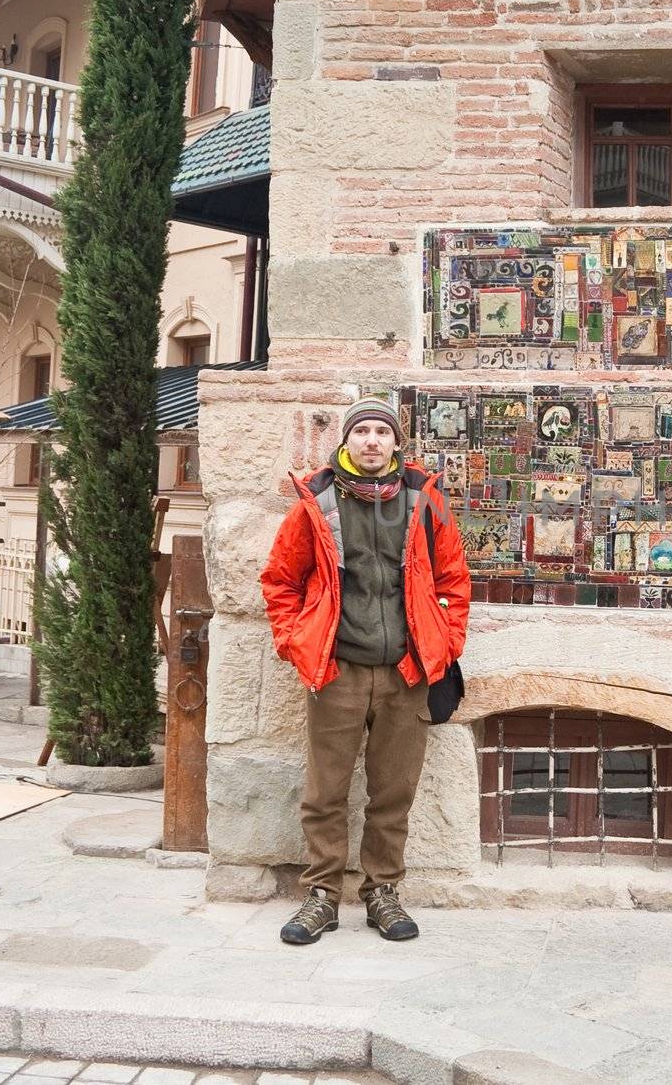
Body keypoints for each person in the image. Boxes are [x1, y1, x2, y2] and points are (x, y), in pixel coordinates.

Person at [260, 394, 470, 944]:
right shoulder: (317, 503)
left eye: (382, 431)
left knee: (393, 792)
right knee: (325, 792)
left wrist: (443, 646)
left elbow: (454, 580)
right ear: (346, 441)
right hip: (338, 670)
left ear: (397, 442)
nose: (372, 440)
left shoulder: (426, 502)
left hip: (408, 671)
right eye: (362, 432)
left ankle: (382, 891)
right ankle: (323, 895)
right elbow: (280, 580)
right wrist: (293, 641)